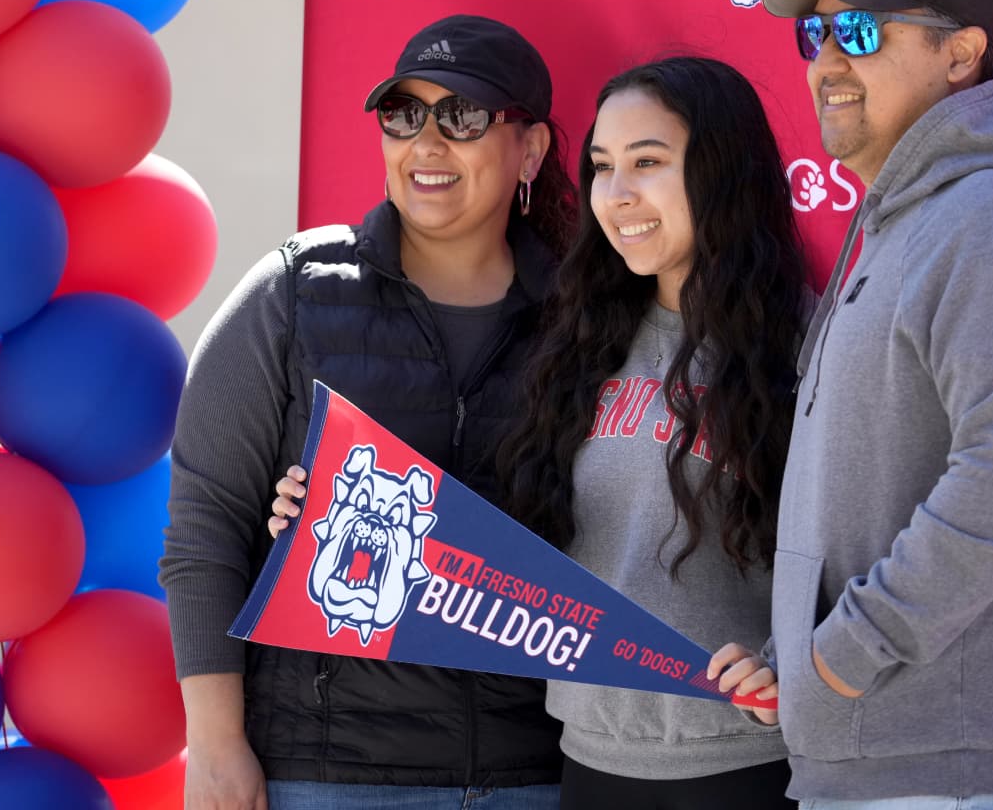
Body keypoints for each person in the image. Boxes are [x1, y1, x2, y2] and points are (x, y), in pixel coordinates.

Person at [273, 55, 807, 810]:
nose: (617, 196)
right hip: (585, 765)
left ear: (723, 172)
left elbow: (864, 555)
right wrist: (325, 514)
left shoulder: (808, 348)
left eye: (648, 162)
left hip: (746, 766)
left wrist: (795, 661)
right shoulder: (576, 342)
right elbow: (500, 556)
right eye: (601, 167)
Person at [727, 0, 993, 810]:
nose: (825, 60)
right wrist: (799, 661)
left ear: (961, 53)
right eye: (812, 32)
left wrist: (845, 657)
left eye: (857, 29)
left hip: (956, 775)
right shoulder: (909, 218)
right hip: (886, 761)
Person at [160, 14, 576, 810]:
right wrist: (215, 749)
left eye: (462, 117)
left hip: (534, 774)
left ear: (530, 149)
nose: (426, 143)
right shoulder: (293, 292)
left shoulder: (586, 322)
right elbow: (203, 531)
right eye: (402, 115)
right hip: (325, 775)